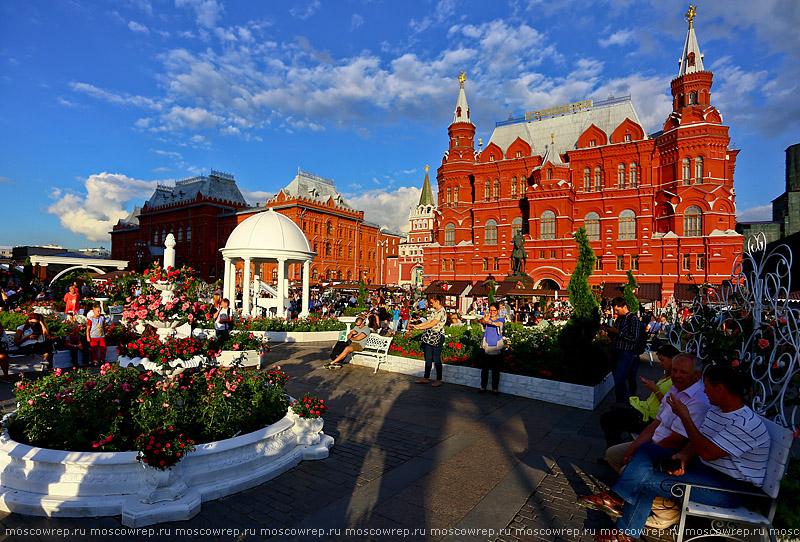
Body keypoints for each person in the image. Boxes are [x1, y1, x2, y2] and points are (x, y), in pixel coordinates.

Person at [583, 365, 770, 542]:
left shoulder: (744, 424)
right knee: (647, 450)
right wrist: (682, 457)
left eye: (707, 387)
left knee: (646, 481)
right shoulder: (718, 411)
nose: (705, 391)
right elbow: (697, 444)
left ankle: (625, 530)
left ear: (720, 389)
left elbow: (707, 453)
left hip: (728, 489)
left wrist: (685, 417)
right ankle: (618, 498)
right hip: (704, 471)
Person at [600, 344, 680, 449]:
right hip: (645, 411)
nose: (660, 364)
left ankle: (615, 450)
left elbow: (670, 406)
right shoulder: (668, 375)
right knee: (614, 409)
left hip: (651, 419)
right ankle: (616, 449)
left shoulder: (677, 380)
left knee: (608, 418)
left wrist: (655, 389)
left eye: (662, 360)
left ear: (673, 359)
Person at [603, 297, 643, 404]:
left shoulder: (633, 319)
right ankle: (621, 402)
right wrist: (609, 331)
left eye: (617, 310)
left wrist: (617, 332)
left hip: (627, 353)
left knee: (621, 379)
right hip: (616, 351)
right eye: (614, 310)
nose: (616, 312)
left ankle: (625, 403)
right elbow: (616, 335)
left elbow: (634, 338)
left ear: (624, 307)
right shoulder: (619, 318)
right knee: (618, 379)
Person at [409, 295, 446, 387]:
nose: (430, 304)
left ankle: (438, 379)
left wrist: (419, 328)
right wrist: (417, 326)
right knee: (428, 357)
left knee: (436, 358)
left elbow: (433, 324)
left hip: (437, 335)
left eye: (432, 302)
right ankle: (426, 377)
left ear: (437, 301)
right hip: (430, 335)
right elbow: (428, 321)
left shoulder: (442, 311)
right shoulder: (435, 311)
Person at [479, 302, 504, 394]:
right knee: (484, 368)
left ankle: (495, 388)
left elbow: (499, 324)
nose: (492, 312)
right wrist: (485, 320)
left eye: (494, 310)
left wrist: (490, 322)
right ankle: (483, 386)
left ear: (497, 311)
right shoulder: (486, 319)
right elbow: (483, 323)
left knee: (495, 369)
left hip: (496, 346)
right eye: (491, 310)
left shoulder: (501, 319)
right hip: (487, 346)